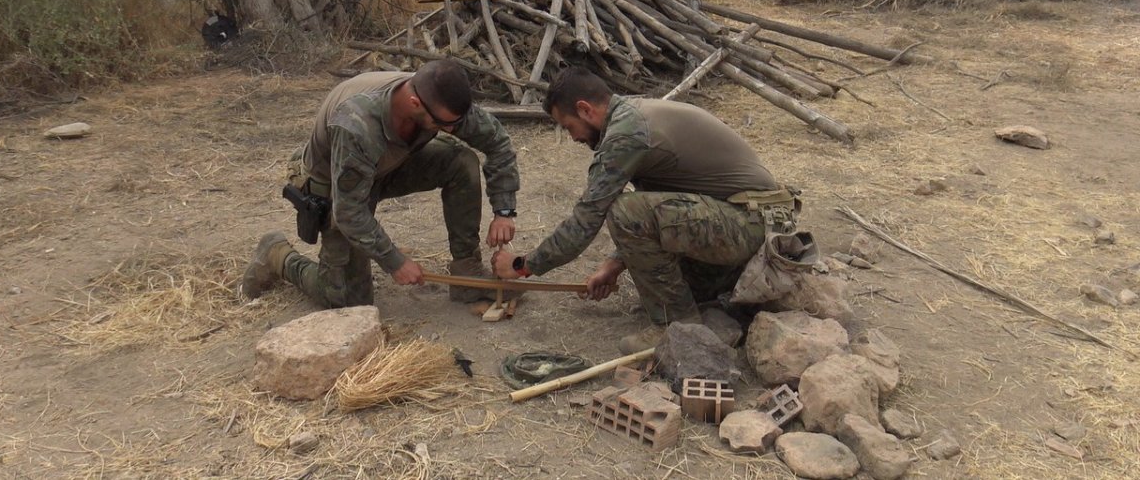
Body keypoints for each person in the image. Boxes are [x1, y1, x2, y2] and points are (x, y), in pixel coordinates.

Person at [491, 67, 801, 354]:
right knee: (641, 225)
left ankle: (675, 326)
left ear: (586, 109)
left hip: (750, 227)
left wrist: (522, 266)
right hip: (749, 221)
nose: (573, 138)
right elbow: (667, 201)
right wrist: (614, 265)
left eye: (569, 126)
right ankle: (709, 300)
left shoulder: (627, 133)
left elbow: (586, 221)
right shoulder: (632, 114)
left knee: (624, 211)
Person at [242, 59, 521, 307]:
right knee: (347, 301)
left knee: (460, 162)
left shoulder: (437, 99)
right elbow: (349, 211)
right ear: (414, 104)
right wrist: (394, 261)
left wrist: (504, 211)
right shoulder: (356, 123)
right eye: (443, 124)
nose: (451, 130)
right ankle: (277, 254)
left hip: (385, 168)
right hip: (332, 185)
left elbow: (497, 143)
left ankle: (466, 274)